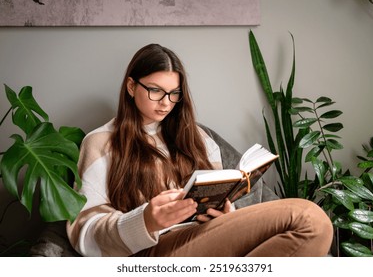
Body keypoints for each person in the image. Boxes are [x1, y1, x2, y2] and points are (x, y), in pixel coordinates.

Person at [67, 43, 333, 257]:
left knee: (310, 228)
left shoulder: (196, 136)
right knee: (309, 218)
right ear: (131, 86)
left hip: (207, 237)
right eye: (156, 91)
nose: (166, 103)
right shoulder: (101, 142)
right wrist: (146, 220)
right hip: (155, 252)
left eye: (174, 93)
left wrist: (225, 214)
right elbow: (85, 232)